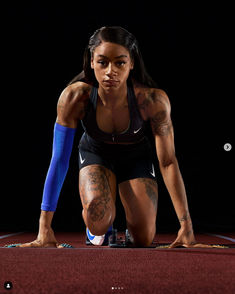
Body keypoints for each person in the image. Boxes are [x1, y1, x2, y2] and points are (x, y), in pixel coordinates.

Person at [15, 26, 206, 248]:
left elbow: (168, 162)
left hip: (136, 158)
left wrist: (186, 226)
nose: (110, 71)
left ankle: (131, 230)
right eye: (103, 62)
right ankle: (98, 230)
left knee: (144, 239)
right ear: (91, 62)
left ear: (131, 63)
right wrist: (44, 228)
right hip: (96, 154)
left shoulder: (152, 101)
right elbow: (59, 160)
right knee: (98, 218)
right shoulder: (75, 97)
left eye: (120, 63)